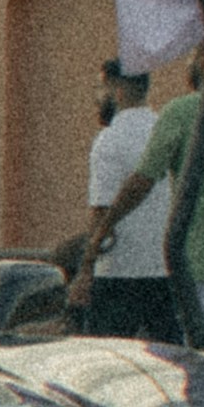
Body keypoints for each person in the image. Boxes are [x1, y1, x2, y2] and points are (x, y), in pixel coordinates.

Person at [61, 56, 204, 356]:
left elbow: (138, 184)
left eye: (196, 55)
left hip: (195, 257)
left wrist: (94, 246)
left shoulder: (176, 115)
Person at [76, 60, 172, 339]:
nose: (97, 98)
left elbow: (101, 211)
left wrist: (85, 271)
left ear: (117, 90)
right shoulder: (163, 129)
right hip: (165, 270)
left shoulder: (110, 139)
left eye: (99, 88)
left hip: (118, 270)